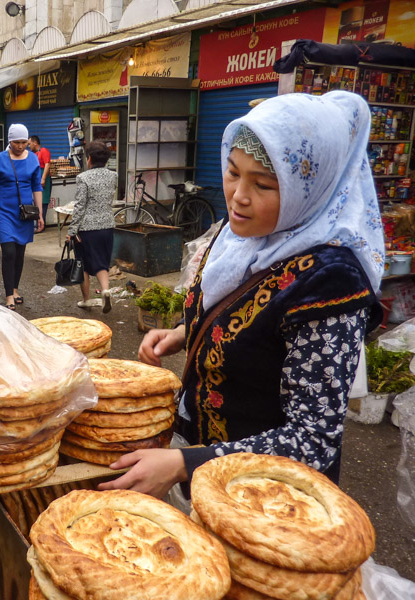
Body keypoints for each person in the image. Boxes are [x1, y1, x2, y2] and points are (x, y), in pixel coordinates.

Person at [100, 91, 384, 499]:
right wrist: (185, 331)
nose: (238, 196)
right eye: (233, 173)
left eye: (264, 184)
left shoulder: (330, 282)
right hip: (200, 469)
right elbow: (245, 312)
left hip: (261, 503)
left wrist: (184, 464)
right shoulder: (240, 238)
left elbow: (313, 442)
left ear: (311, 189)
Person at [0, 124, 45, 310]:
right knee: (9, 252)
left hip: (25, 213)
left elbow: (37, 188)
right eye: (16, 142)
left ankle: (15, 288)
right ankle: (9, 295)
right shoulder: (0, 159)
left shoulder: (33, 159)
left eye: (24, 142)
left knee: (19, 253)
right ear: (10, 141)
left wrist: (40, 213)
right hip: (4, 213)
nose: (20, 146)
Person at [66, 141, 117, 313]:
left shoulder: (83, 178)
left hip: (86, 229)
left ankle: (86, 299)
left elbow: (80, 206)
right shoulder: (113, 176)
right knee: (103, 262)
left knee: (83, 264)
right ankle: (105, 290)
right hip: (107, 226)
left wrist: (72, 231)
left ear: (89, 159)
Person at [29, 135, 52, 223]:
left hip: (43, 177)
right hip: (36, 177)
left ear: (35, 143)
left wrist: (43, 179)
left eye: (30, 144)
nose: (29, 146)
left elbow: (47, 164)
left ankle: (42, 222)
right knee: (36, 200)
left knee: (43, 200)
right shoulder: (33, 154)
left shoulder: (44, 151)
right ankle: (37, 222)